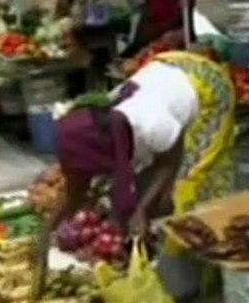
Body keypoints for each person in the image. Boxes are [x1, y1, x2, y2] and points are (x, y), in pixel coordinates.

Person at [49, 51, 236, 241]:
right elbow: (76, 189)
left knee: (192, 182)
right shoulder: (101, 127)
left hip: (205, 85)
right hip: (163, 71)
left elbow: (170, 163)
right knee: (144, 181)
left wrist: (142, 210)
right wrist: (49, 231)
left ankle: (206, 241)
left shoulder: (150, 122)